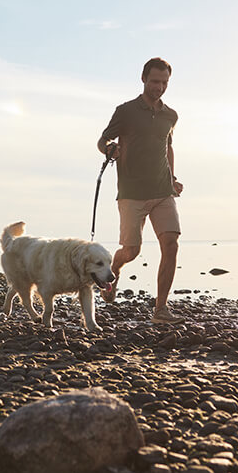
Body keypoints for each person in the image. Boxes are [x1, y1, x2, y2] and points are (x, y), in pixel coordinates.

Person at [97, 57, 185, 325]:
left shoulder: (171, 115)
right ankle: (115, 267)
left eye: (164, 82)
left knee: (171, 244)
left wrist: (172, 178)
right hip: (131, 192)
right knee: (131, 250)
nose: (159, 87)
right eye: (155, 81)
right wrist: (110, 148)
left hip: (162, 191)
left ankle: (161, 309)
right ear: (144, 79)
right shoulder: (125, 111)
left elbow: (167, 147)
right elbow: (103, 140)